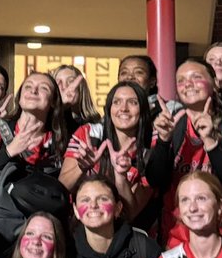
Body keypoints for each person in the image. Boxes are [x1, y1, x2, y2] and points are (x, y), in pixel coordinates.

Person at [146, 58, 222, 244]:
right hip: (176, 237)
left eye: (196, 77)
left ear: (215, 83)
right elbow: (155, 180)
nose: (188, 85)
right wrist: (163, 141)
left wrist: (211, 143)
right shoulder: (171, 123)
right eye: (181, 81)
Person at [60, 80, 156, 231]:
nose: (123, 108)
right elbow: (61, 188)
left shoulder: (151, 151)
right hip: (79, 228)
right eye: (116, 102)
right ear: (109, 109)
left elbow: (130, 213)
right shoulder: (89, 134)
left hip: (122, 232)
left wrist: (120, 176)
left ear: (143, 110)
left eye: (132, 102)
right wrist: (82, 167)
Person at [52, 64, 101, 132]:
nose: (65, 87)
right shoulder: (48, 121)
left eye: (70, 81)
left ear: (81, 87)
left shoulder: (97, 124)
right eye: (59, 83)